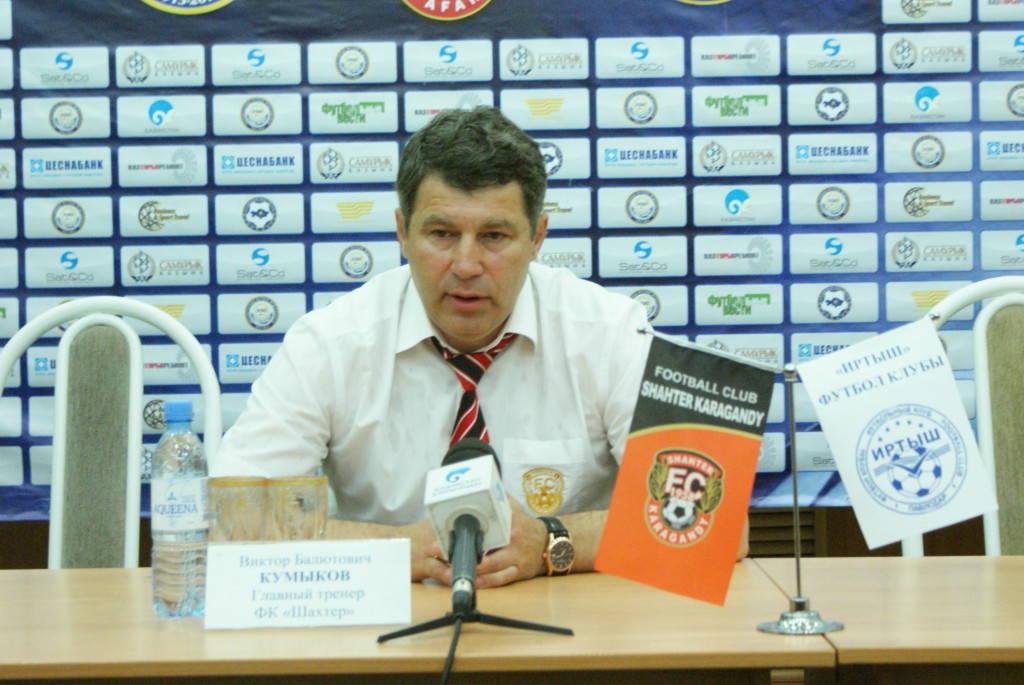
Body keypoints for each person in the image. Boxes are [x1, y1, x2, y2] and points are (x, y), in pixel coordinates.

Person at [214, 106, 746, 589]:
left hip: (573, 631)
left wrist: (551, 542)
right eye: (442, 234)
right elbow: (227, 520)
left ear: (537, 238)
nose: (466, 266)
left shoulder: (610, 332)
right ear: (402, 232)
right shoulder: (330, 343)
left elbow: (723, 526)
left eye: (494, 236)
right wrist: (395, 549)